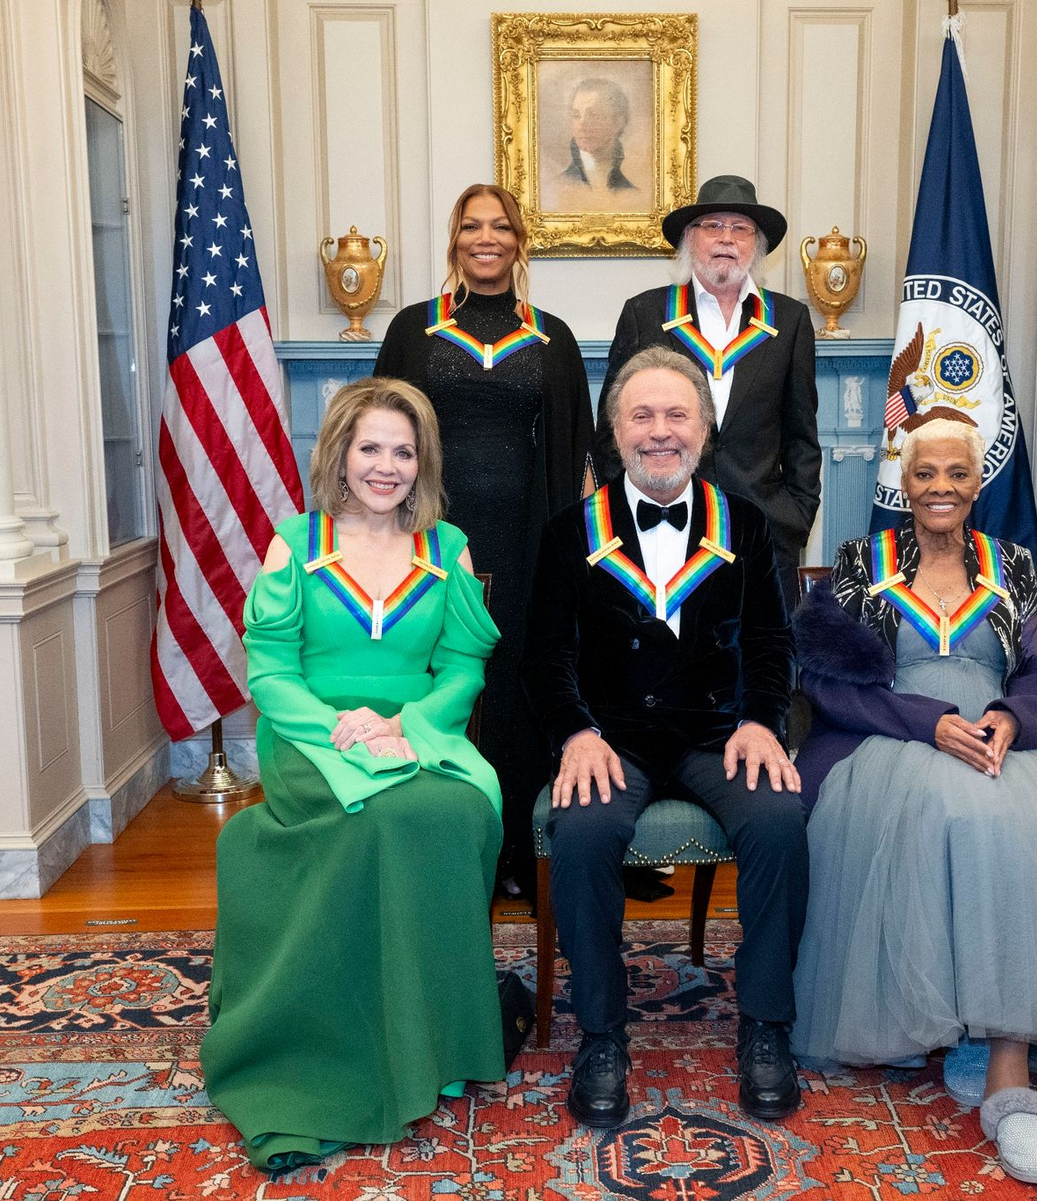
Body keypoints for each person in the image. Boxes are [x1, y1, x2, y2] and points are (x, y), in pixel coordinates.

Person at [790, 417, 1037, 1186]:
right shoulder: (860, 563)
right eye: (925, 472)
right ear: (905, 484)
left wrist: (1010, 719)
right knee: (955, 816)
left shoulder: (1013, 566)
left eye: (957, 473)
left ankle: (1009, 1072)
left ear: (977, 483)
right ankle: (933, 1013)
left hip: (995, 739)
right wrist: (928, 723)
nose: (941, 486)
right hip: (890, 735)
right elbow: (826, 683)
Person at [201, 378, 505, 1171]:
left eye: (404, 451)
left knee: (459, 810)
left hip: (420, 732)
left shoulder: (449, 548)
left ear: (423, 462)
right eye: (370, 447)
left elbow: (463, 666)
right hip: (312, 736)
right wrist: (341, 730)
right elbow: (271, 673)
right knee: (380, 817)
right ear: (339, 454)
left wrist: (406, 726)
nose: (386, 466)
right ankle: (346, 1040)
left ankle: (433, 1038)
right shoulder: (295, 544)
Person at [522, 346, 809, 1127]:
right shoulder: (569, 531)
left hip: (719, 734)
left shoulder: (746, 525)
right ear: (615, 431)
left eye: (676, 414)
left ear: (703, 430)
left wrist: (762, 720)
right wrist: (575, 732)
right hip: (610, 738)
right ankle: (602, 1034)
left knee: (780, 819)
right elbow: (543, 658)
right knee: (582, 830)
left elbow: (772, 641)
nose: (659, 431)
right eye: (641, 415)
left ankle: (766, 1024)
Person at [374, 184, 594, 898]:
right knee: (443, 679)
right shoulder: (414, 329)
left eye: (501, 227)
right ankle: (444, 850)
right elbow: (378, 437)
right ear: (455, 239)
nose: (486, 238)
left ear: (520, 241)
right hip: (432, 538)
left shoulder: (551, 336)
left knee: (514, 683)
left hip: (528, 541)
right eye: (472, 226)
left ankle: (518, 851)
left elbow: (578, 451)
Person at [594, 175, 820, 605]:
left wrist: (794, 517)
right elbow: (611, 430)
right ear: (689, 238)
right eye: (713, 226)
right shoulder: (645, 313)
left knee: (760, 646)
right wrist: (628, 513)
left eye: (741, 228)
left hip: (763, 533)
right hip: (662, 527)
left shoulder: (789, 320)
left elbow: (802, 437)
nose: (726, 238)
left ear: (757, 245)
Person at [560, 78, 636, 191]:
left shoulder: (631, 193)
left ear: (619, 122)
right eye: (576, 116)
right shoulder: (556, 187)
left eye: (593, 115)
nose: (582, 125)